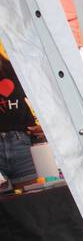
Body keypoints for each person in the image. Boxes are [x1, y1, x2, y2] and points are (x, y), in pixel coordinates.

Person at [0, 47, 43, 191]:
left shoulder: (17, 60)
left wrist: (48, 124)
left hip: (22, 143)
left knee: (31, 202)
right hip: (21, 141)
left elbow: (43, 94)